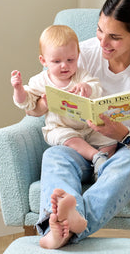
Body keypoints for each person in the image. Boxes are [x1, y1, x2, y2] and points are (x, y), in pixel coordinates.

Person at [25, 0, 130, 250]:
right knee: (54, 156)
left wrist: (123, 134)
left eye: (114, 37)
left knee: (126, 164)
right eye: (99, 29)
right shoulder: (83, 53)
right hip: (88, 143)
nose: (102, 42)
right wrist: (42, 101)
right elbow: (45, 88)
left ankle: (68, 227)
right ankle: (67, 223)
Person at [11, 25, 117, 187]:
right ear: (43, 61)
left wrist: (87, 88)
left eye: (70, 60)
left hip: (87, 127)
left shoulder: (80, 74)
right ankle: (96, 156)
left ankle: (100, 167)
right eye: (56, 61)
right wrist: (19, 89)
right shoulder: (40, 81)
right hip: (60, 128)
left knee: (110, 140)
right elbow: (26, 102)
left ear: (77, 56)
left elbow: (96, 87)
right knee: (68, 137)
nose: (64, 66)